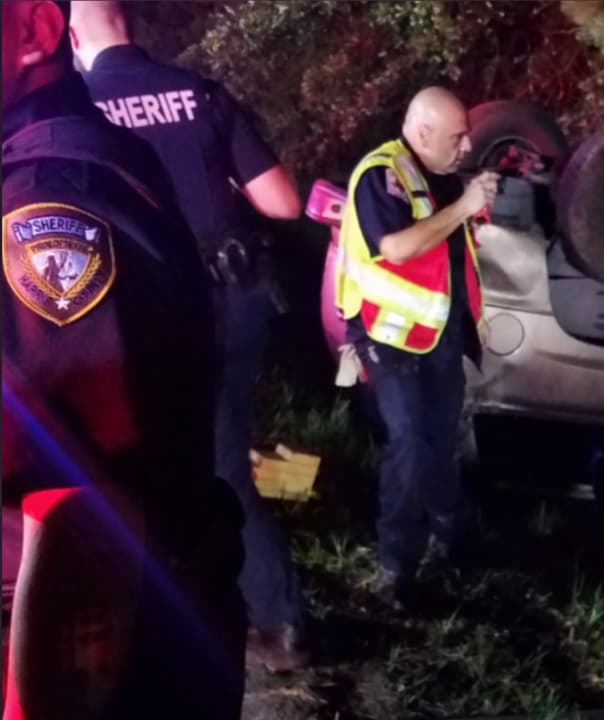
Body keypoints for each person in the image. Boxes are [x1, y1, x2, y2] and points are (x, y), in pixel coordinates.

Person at [2, 1, 244, 717]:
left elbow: (80, 527)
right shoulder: (46, 168)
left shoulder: (49, 205)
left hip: (73, 673)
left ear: (34, 32)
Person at [69, 0, 310, 671]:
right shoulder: (202, 93)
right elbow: (283, 203)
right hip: (236, 301)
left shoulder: (79, 111)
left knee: (143, 462)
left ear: (71, 37)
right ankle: (273, 618)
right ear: (131, 27)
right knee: (223, 455)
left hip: (148, 307)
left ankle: (206, 618)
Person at [336, 86, 497, 608]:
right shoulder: (380, 175)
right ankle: (394, 568)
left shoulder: (444, 178)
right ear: (422, 132)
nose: (467, 145)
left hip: (440, 338)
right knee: (406, 446)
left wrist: (477, 205)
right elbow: (398, 248)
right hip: (388, 337)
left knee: (441, 441)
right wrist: (465, 207)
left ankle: (452, 541)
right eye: (457, 136)